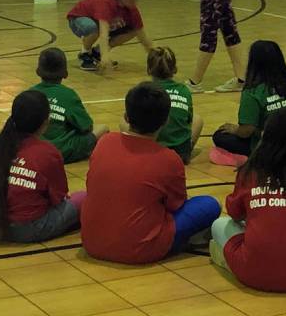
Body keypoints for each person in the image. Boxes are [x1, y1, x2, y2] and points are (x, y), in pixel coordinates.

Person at [81, 82, 221, 264]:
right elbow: (176, 205)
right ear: (165, 121)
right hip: (141, 250)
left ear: (126, 117)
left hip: (92, 243)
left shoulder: (104, 142)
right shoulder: (168, 159)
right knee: (209, 205)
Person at [210, 108, 286, 292]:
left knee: (219, 225)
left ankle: (230, 261)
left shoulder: (251, 172)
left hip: (253, 274)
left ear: (265, 139)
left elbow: (234, 213)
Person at [0, 91, 86, 243]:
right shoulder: (47, 152)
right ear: (46, 122)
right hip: (28, 229)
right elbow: (59, 197)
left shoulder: (0, 143)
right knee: (83, 198)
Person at [213, 40, 286, 157]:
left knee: (219, 136)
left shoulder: (253, 91)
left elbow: (247, 131)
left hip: (270, 147)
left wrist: (236, 130)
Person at [120, 47, 203, 164]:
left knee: (124, 121)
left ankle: (138, 149)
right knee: (198, 120)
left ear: (149, 69)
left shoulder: (146, 91)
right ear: (174, 69)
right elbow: (189, 120)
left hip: (152, 149)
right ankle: (186, 151)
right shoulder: (184, 90)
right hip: (179, 153)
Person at [30, 48, 109, 163]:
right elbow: (87, 126)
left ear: (38, 71)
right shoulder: (69, 95)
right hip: (62, 151)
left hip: (33, 150)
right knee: (103, 128)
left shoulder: (29, 93)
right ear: (65, 73)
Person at [67, 0, 153, 71]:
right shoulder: (106, 3)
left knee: (133, 30)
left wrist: (154, 53)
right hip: (78, 19)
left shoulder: (131, 9)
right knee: (92, 28)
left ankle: (97, 52)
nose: (134, 0)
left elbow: (141, 34)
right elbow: (104, 33)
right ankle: (85, 53)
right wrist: (105, 56)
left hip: (98, 24)